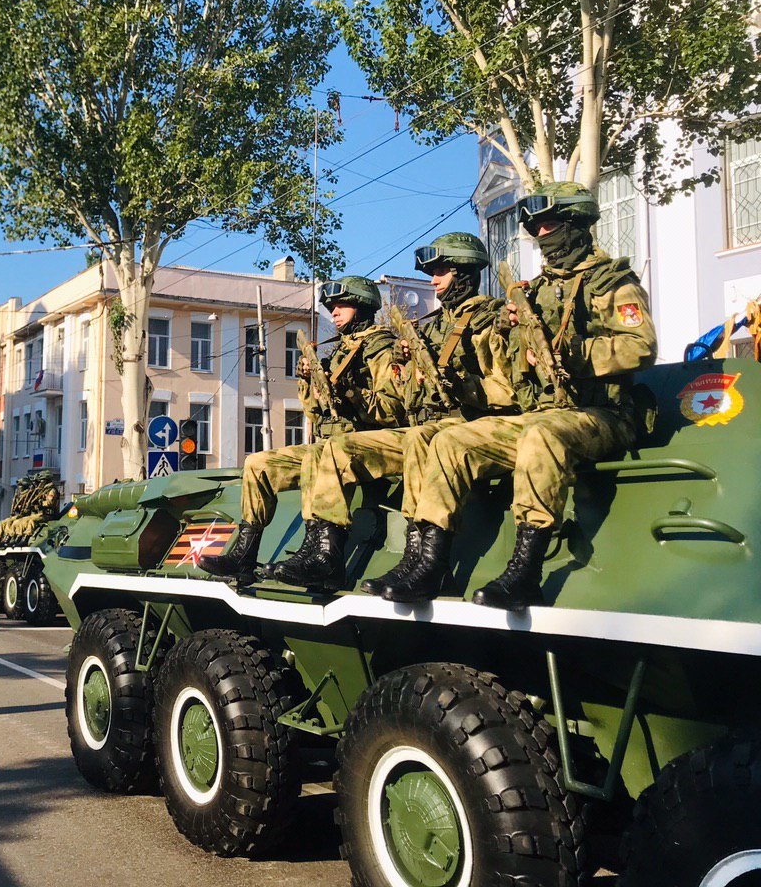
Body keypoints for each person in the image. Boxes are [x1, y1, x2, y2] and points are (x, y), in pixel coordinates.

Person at [370, 181, 658, 609]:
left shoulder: (611, 281)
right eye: (535, 229)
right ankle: (429, 562)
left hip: (602, 412)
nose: (541, 236)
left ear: (577, 224)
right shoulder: (535, 291)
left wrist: (572, 353)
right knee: (451, 440)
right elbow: (513, 371)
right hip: (544, 410)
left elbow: (641, 346)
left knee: (543, 434)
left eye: (550, 226)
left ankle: (526, 569)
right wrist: (512, 331)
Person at [299, 233, 515, 598]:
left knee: (419, 439)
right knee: (289, 456)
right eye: (432, 272)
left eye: (442, 271)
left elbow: (510, 390)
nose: (433, 280)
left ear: (464, 271)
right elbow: (411, 400)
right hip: (432, 425)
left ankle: (426, 560)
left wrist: (460, 385)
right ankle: (328, 552)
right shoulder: (430, 328)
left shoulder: (492, 320)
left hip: (471, 425)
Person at [200, 276, 406, 589]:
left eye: (342, 304)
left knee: (324, 454)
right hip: (332, 443)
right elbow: (315, 413)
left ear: (363, 306)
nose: (334, 312)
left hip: (366, 443)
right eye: (332, 306)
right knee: (258, 464)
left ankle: (325, 556)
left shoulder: (380, 347)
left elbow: (391, 410)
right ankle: (244, 555)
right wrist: (311, 384)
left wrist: (351, 393)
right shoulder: (339, 350)